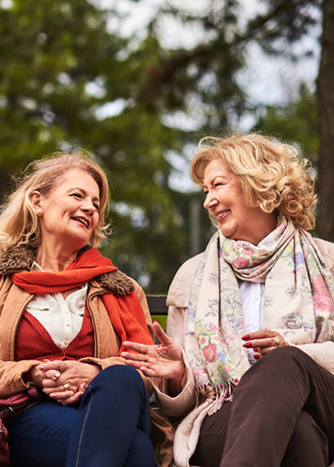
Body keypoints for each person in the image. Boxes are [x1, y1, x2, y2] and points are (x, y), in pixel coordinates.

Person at [0, 152, 163, 466]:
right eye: (77, 195)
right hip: (28, 414)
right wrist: (30, 373)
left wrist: (95, 371)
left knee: (122, 379)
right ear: (37, 202)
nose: (90, 208)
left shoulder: (122, 288)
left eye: (96, 204)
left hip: (111, 408)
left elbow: (147, 371)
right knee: (135, 451)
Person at [123, 133, 334, 467]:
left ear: (257, 183)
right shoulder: (193, 276)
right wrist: (179, 375)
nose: (208, 201)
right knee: (300, 434)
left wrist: (292, 351)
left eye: (218, 185)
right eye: (205, 191)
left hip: (323, 403)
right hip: (225, 411)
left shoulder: (327, 260)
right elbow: (183, 403)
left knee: (283, 363)